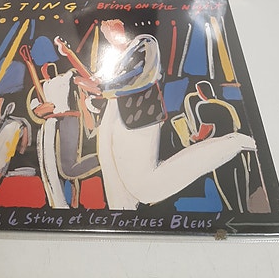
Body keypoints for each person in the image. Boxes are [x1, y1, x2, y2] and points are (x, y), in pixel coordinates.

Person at [70, 19, 257, 210]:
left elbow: (142, 76)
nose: (107, 32)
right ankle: (125, 222)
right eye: (105, 30)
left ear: (123, 27)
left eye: (111, 27)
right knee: (116, 191)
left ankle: (231, 143)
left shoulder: (144, 42)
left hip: (138, 117)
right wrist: (90, 86)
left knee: (146, 189)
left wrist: (102, 89)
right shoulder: (114, 58)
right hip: (111, 120)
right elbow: (98, 83)